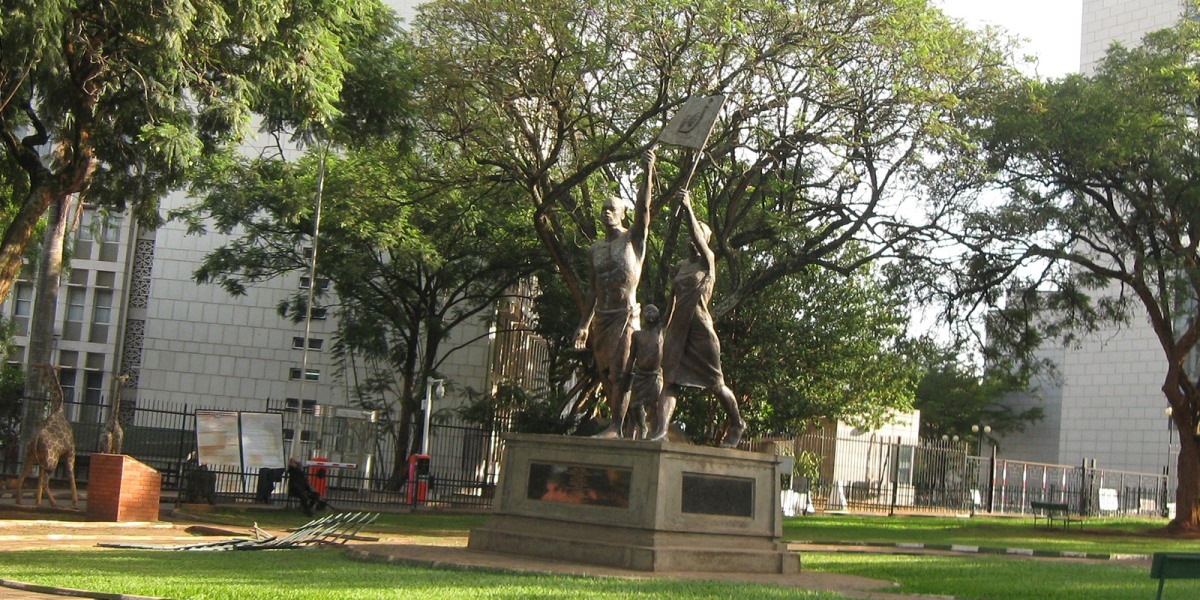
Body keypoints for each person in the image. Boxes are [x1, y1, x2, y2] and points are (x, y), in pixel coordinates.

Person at [651, 190, 746, 447]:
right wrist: (662, 327)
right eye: (691, 238)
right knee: (670, 382)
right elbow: (672, 299)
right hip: (677, 331)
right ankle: (660, 430)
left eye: (698, 237)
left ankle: (737, 423)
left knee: (716, 384)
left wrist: (688, 208)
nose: (692, 241)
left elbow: (697, 235)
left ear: (704, 241)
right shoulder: (681, 267)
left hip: (701, 330)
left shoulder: (708, 262)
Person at [573, 147, 656, 438]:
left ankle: (616, 427)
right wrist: (583, 325)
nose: (607, 213)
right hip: (602, 318)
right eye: (603, 209)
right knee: (607, 375)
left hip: (625, 315)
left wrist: (648, 173)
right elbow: (592, 290)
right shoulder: (594, 249)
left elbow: (644, 212)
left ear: (623, 214)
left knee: (621, 373)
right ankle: (637, 423)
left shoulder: (634, 241)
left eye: (613, 209)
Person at [629, 304, 664, 439]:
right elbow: (631, 356)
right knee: (634, 405)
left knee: (655, 405)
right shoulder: (637, 335)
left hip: (654, 376)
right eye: (647, 311)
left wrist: (673, 292)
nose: (649, 313)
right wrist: (627, 373)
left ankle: (655, 431)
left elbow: (670, 312)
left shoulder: (659, 330)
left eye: (653, 311)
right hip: (640, 375)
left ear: (658, 316)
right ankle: (642, 426)